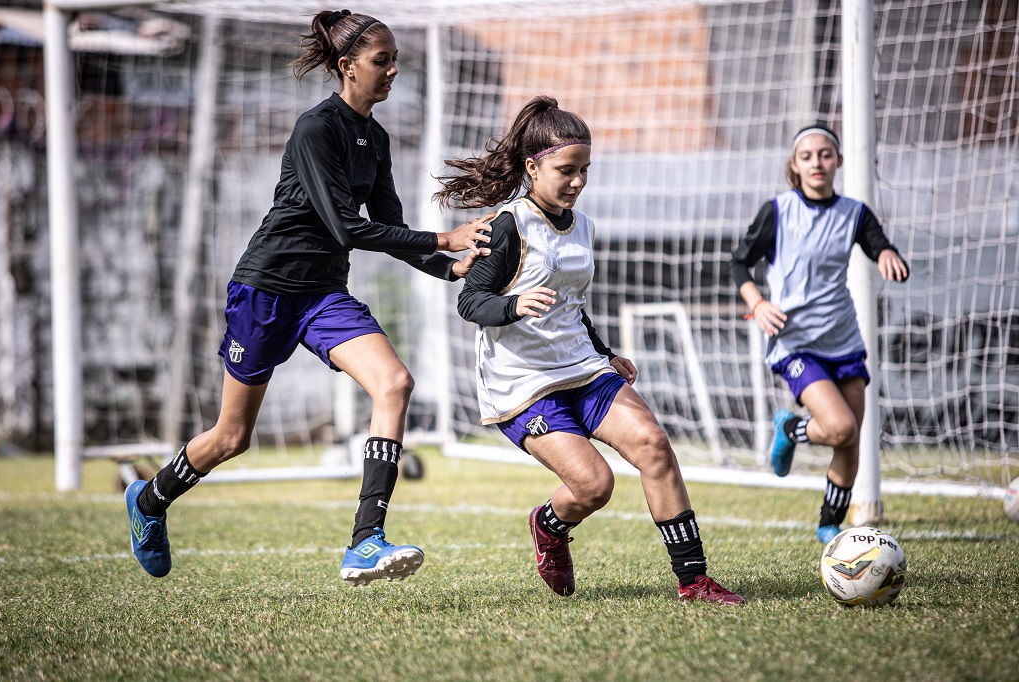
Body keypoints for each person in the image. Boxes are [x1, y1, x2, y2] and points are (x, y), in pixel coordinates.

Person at [125, 9, 493, 584]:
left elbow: (389, 226)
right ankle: (149, 502)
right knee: (231, 437)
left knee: (394, 384)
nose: (393, 70)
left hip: (323, 295)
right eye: (382, 61)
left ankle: (365, 542)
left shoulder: (378, 138)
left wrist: (450, 267)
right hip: (266, 290)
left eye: (396, 60)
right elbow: (349, 228)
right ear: (347, 67)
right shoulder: (315, 129)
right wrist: (445, 235)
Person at [436, 96, 744, 605]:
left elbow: (573, 305)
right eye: (566, 170)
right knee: (594, 485)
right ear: (532, 166)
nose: (577, 181)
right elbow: (472, 303)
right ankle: (549, 526)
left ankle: (694, 581)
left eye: (585, 170)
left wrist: (605, 352)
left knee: (654, 446)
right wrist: (513, 307)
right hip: (524, 384)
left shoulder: (586, 227)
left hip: (583, 367)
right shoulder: (508, 226)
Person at [729, 124, 909, 545]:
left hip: (843, 340)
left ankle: (830, 525)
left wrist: (885, 254)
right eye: (807, 156)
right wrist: (758, 303)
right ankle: (790, 429)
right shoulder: (777, 211)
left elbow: (880, 244)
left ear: (839, 162)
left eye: (825, 155)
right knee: (841, 427)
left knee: (849, 441)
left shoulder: (854, 213)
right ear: (795, 165)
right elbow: (739, 263)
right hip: (796, 341)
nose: (817, 162)